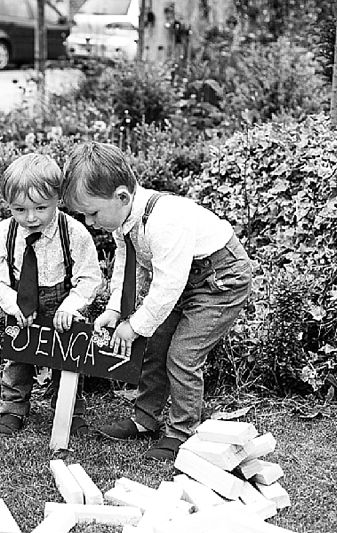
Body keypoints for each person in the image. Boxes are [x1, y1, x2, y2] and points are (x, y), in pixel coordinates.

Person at [61, 142, 252, 462]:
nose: (90, 222)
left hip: (220, 280)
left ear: (122, 196)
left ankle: (181, 432)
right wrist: (114, 310)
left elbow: (167, 287)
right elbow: (127, 265)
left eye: (93, 213)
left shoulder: (165, 221)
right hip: (184, 280)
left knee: (183, 355)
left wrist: (134, 326)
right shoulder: (123, 220)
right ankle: (145, 419)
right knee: (156, 345)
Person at [0, 153, 102, 436]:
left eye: (40, 208)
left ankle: (70, 410)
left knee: (68, 359)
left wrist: (71, 306)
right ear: (8, 204)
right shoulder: (3, 233)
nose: (31, 217)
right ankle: (13, 408)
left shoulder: (74, 233)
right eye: (20, 209)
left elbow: (89, 277)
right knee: (18, 358)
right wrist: (14, 305)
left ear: (58, 199)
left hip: (62, 303)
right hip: (21, 303)